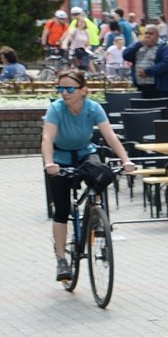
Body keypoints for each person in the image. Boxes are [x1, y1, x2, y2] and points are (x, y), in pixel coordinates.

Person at [39, 70, 138, 282]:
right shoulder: (56, 109)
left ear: (83, 90)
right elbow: (47, 137)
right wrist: (49, 163)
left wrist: (126, 160)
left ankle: (96, 215)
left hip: (85, 153)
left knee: (101, 173)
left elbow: (110, 136)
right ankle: (61, 259)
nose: (64, 93)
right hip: (60, 158)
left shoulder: (93, 108)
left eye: (69, 89)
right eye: (60, 88)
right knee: (62, 209)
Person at [123, 23, 168, 97]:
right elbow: (126, 55)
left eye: (151, 34)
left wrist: (148, 71)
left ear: (157, 36)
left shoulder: (164, 47)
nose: (148, 36)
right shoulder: (139, 46)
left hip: (158, 89)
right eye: (146, 33)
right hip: (141, 87)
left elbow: (166, 63)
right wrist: (139, 44)